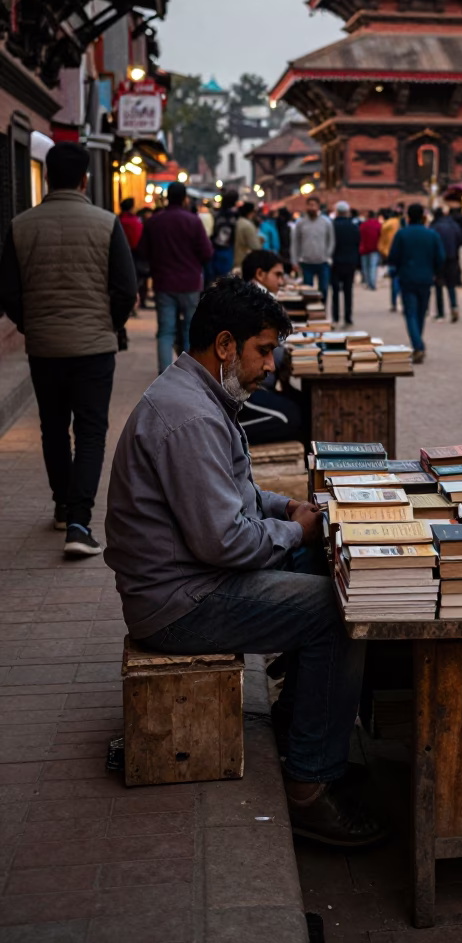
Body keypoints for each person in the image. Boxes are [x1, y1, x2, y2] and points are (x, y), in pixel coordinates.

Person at [104, 277, 382, 843]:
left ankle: (303, 727)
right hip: (181, 602)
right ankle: (310, 786)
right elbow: (224, 542)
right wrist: (295, 532)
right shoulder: (190, 417)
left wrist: (287, 509)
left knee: (327, 570)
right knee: (338, 609)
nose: (270, 366)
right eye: (263, 350)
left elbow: (239, 495)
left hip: (194, 577)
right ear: (226, 345)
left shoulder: (202, 396)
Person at [0, 142, 136, 557]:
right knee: (91, 431)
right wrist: (108, 325)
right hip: (93, 346)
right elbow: (126, 288)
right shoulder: (105, 222)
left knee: (53, 427)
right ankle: (79, 522)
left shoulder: (20, 225)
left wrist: (30, 324)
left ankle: (63, 505)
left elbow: (8, 291)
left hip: (44, 347)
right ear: (84, 179)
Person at [137, 181, 214, 374]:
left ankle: (165, 376)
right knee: (190, 329)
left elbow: (142, 252)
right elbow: (206, 252)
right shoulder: (193, 221)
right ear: (185, 199)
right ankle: (189, 376)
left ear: (166, 198)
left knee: (165, 332)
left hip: (163, 282)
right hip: (190, 282)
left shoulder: (154, 221)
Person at [238, 251, 304, 444]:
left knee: (300, 407)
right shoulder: (255, 304)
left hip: (256, 386)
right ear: (260, 274)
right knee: (290, 417)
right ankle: (220, 435)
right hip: (244, 390)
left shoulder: (260, 300)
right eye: (278, 275)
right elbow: (273, 353)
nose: (282, 281)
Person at [387, 204, 444, 364]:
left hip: (407, 278)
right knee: (421, 313)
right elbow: (440, 257)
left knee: (410, 313)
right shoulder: (432, 235)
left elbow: (393, 257)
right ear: (423, 217)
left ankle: (417, 344)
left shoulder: (402, 234)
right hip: (426, 278)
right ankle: (418, 342)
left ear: (408, 217)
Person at [291, 195, 334, 303]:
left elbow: (331, 241)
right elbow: (295, 243)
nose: (311, 208)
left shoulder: (326, 222)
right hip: (306, 262)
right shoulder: (300, 223)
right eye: (309, 205)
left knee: (324, 289)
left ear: (318, 206)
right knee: (307, 292)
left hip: (322, 262)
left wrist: (327, 256)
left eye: (314, 205)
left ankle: (322, 313)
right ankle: (309, 315)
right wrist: (294, 260)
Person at [331, 200, 361, 326]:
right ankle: (348, 317)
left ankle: (336, 317)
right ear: (347, 212)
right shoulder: (354, 227)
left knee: (335, 291)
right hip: (350, 262)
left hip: (335, 261)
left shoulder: (332, 226)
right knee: (348, 290)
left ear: (336, 212)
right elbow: (357, 243)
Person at [431, 207, 462, 323]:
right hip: (452, 257)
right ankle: (454, 306)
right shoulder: (453, 225)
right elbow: (460, 238)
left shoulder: (435, 226)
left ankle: (441, 313)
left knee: (438, 286)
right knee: (451, 285)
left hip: (439, 259)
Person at [207, 190, 238, 285]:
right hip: (226, 250)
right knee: (224, 279)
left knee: (215, 279)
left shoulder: (217, 215)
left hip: (215, 248)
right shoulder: (234, 216)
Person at [378, 206, 404, 312]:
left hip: (390, 255)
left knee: (394, 281)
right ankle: (403, 302)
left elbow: (381, 241)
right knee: (403, 281)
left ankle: (393, 303)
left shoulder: (386, 224)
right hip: (402, 255)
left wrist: (383, 252)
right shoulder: (402, 224)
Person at [233, 201, 262, 269]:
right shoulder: (248, 225)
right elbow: (255, 246)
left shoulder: (238, 221)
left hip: (236, 257)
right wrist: (260, 241)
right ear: (251, 212)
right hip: (244, 259)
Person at [359, 210, 382, 290]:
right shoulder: (378, 225)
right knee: (373, 267)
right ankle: (372, 284)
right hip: (374, 248)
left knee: (365, 267)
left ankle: (368, 283)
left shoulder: (363, 225)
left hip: (364, 248)